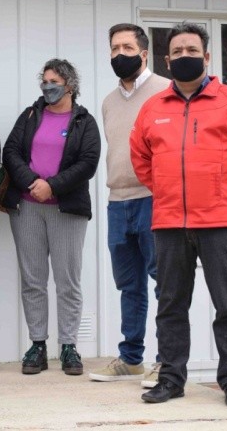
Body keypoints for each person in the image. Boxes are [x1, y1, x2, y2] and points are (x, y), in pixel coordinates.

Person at [130, 22, 227, 407]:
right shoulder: (152, 108)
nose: (184, 57)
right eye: (177, 52)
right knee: (171, 305)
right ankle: (171, 378)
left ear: (207, 57)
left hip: (220, 221)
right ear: (166, 59)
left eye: (192, 51)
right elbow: (140, 158)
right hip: (169, 223)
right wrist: (167, 191)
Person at [2, 59, 101, 376]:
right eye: (44, 81)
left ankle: (69, 347)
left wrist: (53, 186)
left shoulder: (84, 122)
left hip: (67, 209)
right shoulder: (30, 115)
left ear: (69, 85)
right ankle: (37, 345)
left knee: (67, 280)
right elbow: (11, 153)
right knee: (33, 280)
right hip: (27, 207)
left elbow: (88, 162)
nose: (48, 86)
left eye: (54, 81)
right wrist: (34, 183)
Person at [89, 24, 170, 385]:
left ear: (144, 53)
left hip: (155, 199)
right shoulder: (107, 102)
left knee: (163, 282)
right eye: (114, 47)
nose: (119, 53)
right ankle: (131, 358)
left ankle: (167, 360)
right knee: (129, 285)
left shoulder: (166, 91)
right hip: (117, 202)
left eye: (127, 46)